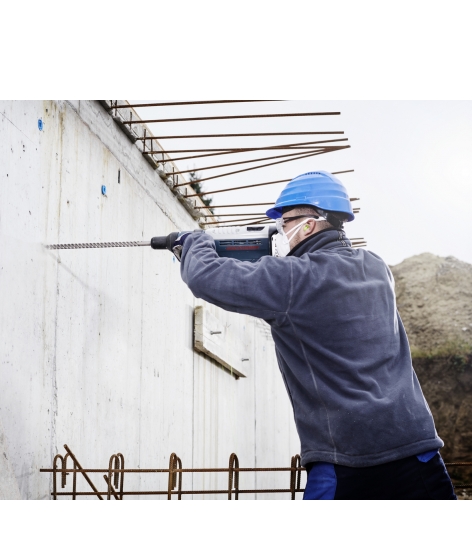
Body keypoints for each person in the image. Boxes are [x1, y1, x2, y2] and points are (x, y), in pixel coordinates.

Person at [174, 171, 456, 500]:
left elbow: (206, 276)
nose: (280, 231)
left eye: (285, 222)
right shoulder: (376, 268)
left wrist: (195, 242)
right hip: (417, 448)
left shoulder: (293, 279)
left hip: (346, 459)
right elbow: (317, 286)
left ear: (308, 225)